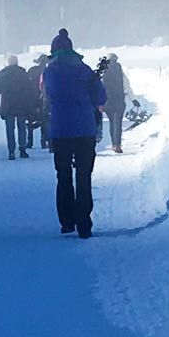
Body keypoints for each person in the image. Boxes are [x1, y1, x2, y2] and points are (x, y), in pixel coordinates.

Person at [42, 29, 106, 238]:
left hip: (60, 130)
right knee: (83, 176)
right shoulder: (85, 71)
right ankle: (84, 223)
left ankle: (67, 221)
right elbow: (100, 96)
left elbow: (48, 95)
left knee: (63, 176)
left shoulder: (49, 73)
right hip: (85, 130)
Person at [0, 54, 35, 159]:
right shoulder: (23, 72)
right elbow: (29, 90)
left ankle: (11, 151)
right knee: (22, 128)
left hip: (7, 106)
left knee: (10, 129)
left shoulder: (2, 74)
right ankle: (22, 149)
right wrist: (31, 106)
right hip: (22, 105)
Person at [102, 52, 129, 153]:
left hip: (108, 101)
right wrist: (133, 99)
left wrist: (99, 102)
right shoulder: (119, 71)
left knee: (112, 123)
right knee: (118, 123)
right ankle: (117, 145)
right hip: (119, 100)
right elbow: (126, 85)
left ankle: (113, 144)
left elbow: (100, 87)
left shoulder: (103, 70)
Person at [27, 52, 50, 147]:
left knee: (30, 119)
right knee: (45, 120)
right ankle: (44, 141)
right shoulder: (48, 71)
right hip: (44, 98)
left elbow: (26, 83)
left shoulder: (31, 70)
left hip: (32, 97)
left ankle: (30, 142)